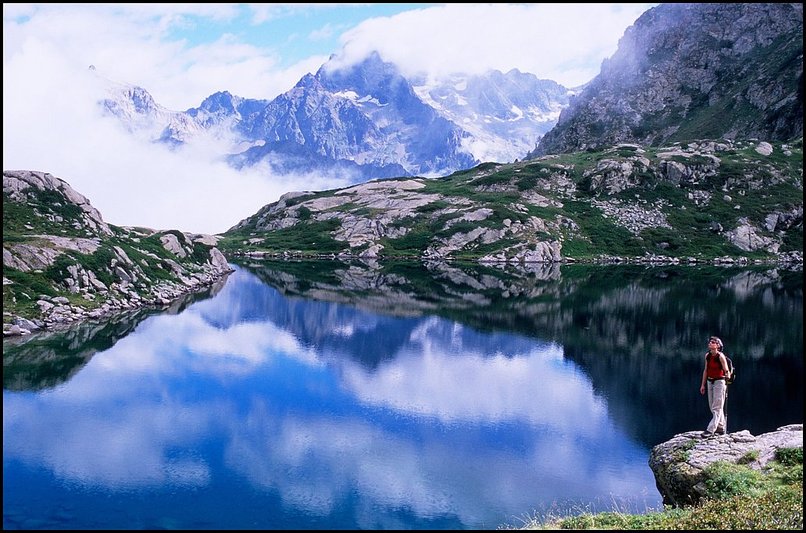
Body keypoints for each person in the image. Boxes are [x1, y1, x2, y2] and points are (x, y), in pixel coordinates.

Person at [699, 336, 732, 437]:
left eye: (713, 342)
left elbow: (726, 370)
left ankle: (710, 430)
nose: (710, 343)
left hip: (719, 382)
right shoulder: (708, 356)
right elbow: (706, 370)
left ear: (718, 345)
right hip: (710, 381)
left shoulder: (720, 356)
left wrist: (727, 377)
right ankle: (721, 427)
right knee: (712, 406)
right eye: (710, 342)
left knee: (716, 407)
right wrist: (703, 385)